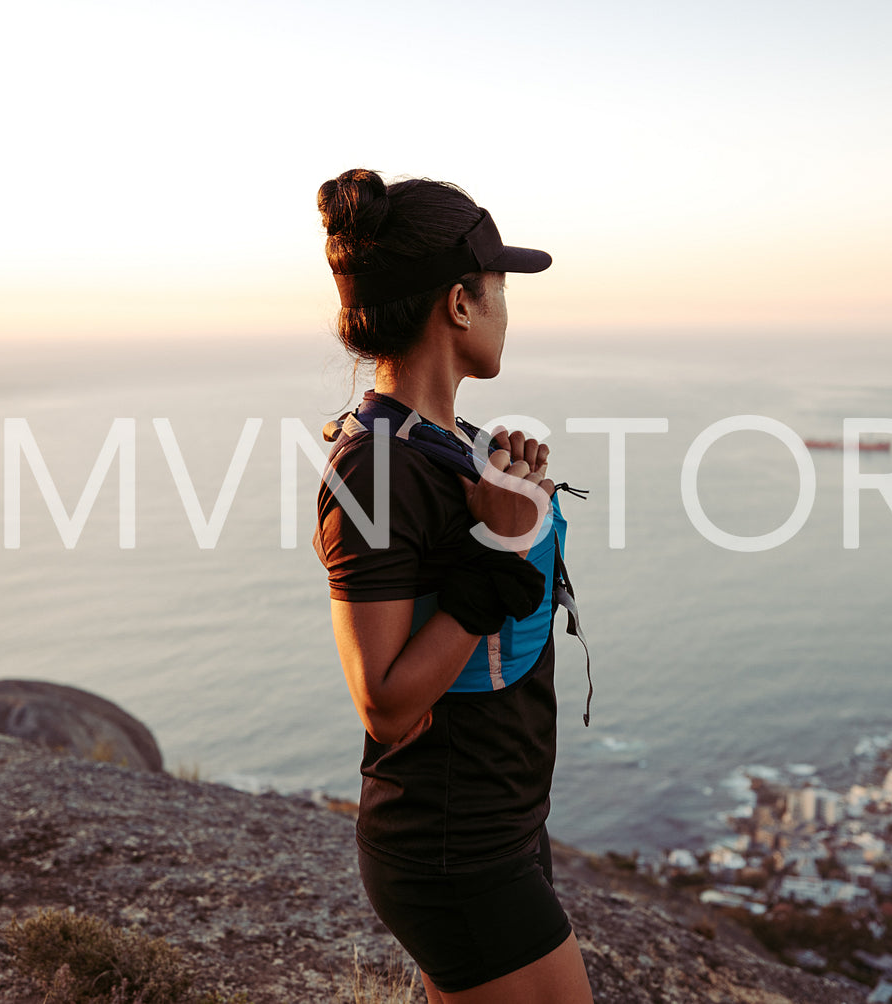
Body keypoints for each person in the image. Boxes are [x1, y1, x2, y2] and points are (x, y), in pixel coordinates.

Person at [312, 169, 593, 1004]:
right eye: (500, 286)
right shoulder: (375, 467)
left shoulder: (450, 442)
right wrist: (498, 554)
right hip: (450, 844)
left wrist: (515, 506)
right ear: (460, 302)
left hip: (498, 825)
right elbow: (384, 704)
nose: (508, 309)